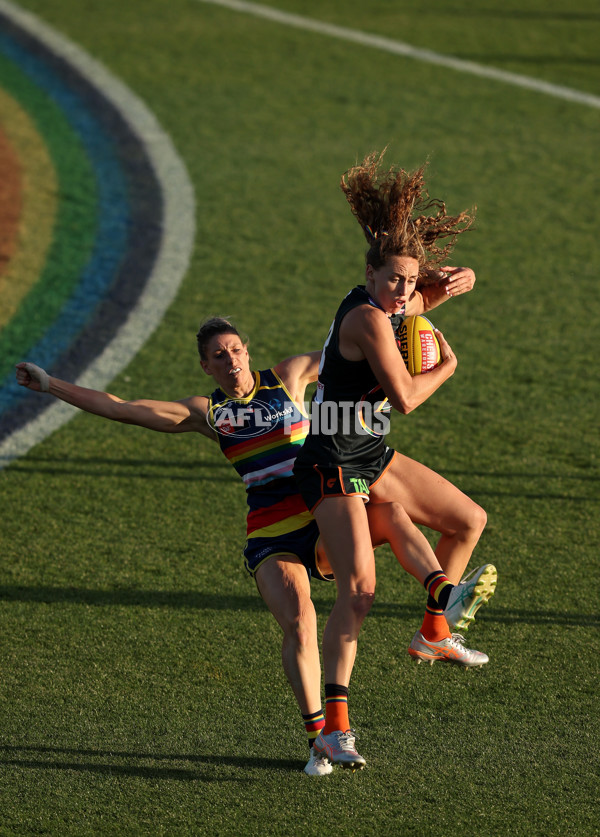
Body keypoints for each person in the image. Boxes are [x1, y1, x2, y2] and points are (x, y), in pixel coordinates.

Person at [15, 316, 488, 777]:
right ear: (206, 367)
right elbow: (120, 406)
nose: (231, 360)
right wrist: (51, 384)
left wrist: (416, 299)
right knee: (300, 621)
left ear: (248, 351)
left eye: (236, 350)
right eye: (219, 356)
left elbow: (357, 342)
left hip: (324, 514)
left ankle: (439, 603)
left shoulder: (289, 378)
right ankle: (318, 740)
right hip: (271, 537)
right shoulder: (207, 412)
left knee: (389, 513)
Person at [293, 150, 496, 771]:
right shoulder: (368, 320)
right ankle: (334, 729)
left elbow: (414, 305)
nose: (404, 290)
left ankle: (434, 630)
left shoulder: (385, 300)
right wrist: (449, 366)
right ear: (369, 273)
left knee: (467, 520)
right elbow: (405, 397)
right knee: (358, 594)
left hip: (367, 449)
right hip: (330, 458)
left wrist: (446, 284)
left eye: (410, 279)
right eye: (395, 280)